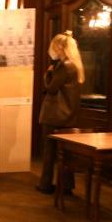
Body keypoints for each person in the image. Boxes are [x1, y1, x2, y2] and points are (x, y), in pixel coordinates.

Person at [36, 31, 85, 194]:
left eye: (53, 47)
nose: (51, 51)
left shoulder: (64, 66)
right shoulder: (76, 65)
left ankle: (45, 184)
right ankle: (66, 186)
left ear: (59, 47)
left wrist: (48, 73)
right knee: (66, 153)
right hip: (69, 115)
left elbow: (51, 88)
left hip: (55, 115)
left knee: (50, 151)